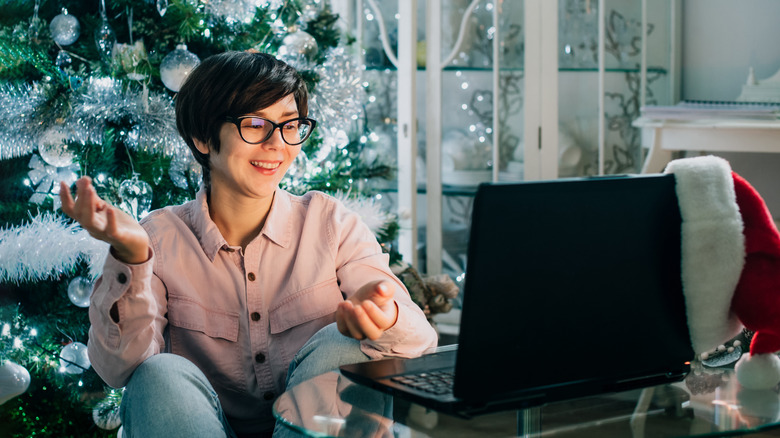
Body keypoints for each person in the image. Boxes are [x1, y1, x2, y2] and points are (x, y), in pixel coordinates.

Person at [59, 51, 438, 438]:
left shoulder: (331, 223)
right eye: (256, 124)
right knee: (157, 372)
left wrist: (385, 316)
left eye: (290, 125)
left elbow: (421, 341)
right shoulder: (158, 237)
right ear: (203, 138)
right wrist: (132, 257)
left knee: (346, 344)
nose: (278, 144)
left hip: (316, 426)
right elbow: (118, 370)